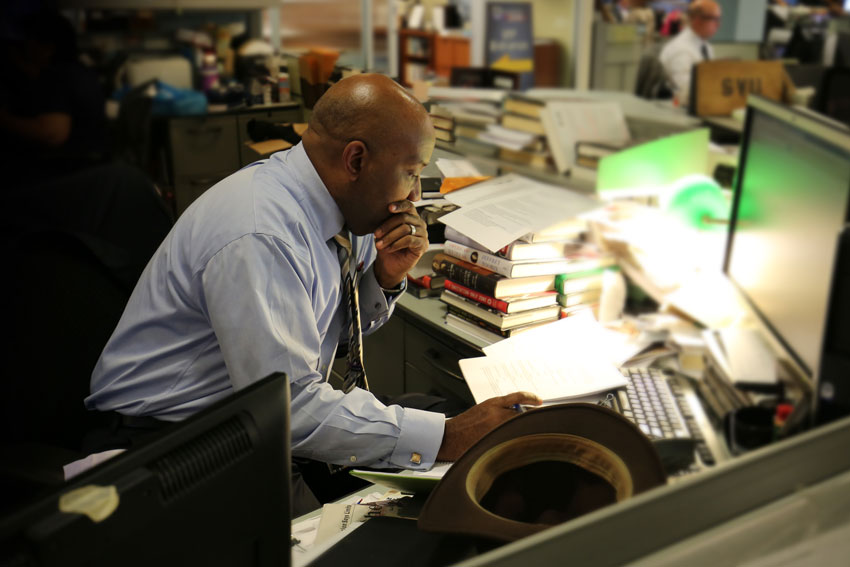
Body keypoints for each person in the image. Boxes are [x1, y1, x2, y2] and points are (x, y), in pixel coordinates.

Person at [85, 73, 541, 513]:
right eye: (410, 173)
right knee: (364, 535)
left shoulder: (343, 205)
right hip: (168, 443)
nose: (415, 195)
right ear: (357, 160)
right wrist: (447, 437)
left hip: (254, 418)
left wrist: (382, 278)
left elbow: (332, 335)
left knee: (438, 426)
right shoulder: (263, 232)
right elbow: (292, 406)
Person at [659, 0, 722, 106]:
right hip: (680, 111)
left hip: (701, 106)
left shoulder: (706, 47)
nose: (718, 25)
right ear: (698, 20)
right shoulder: (681, 50)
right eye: (714, 19)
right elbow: (686, 94)